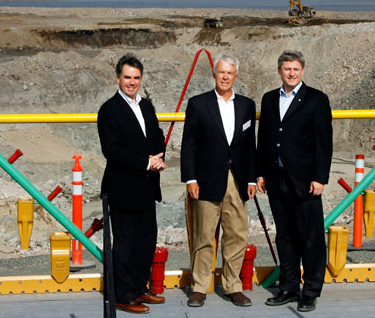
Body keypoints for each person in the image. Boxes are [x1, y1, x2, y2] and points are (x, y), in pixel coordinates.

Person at [256, 50, 333, 312]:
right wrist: (260, 172)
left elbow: (324, 144)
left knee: (310, 238)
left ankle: (310, 291)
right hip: (276, 180)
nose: (291, 73)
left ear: (302, 71)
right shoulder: (268, 99)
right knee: (285, 236)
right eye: (286, 69)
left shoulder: (316, 99)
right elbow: (264, 139)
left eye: (295, 69)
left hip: (305, 182)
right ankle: (288, 287)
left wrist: (320, 177)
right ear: (279, 70)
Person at [181, 53, 257, 308]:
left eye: (230, 73)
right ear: (214, 74)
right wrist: (190, 178)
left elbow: (250, 147)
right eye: (221, 72)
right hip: (206, 180)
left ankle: (233, 286)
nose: (225, 77)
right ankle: (200, 287)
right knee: (204, 235)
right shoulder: (198, 104)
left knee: (236, 235)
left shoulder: (247, 105)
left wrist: (252, 179)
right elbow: (189, 144)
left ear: (236, 76)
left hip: (237, 181)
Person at [97, 54, 168, 314]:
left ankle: (139, 287)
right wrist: (145, 163)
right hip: (123, 186)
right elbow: (112, 150)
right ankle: (123, 295)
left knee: (146, 239)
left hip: (147, 185)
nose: (132, 82)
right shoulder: (109, 110)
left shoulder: (146, 106)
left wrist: (159, 158)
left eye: (136, 77)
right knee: (125, 243)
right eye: (127, 77)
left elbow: (157, 135)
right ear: (118, 78)